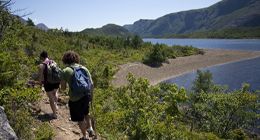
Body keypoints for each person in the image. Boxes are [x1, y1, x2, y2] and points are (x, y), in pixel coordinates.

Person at [60, 50, 95, 140]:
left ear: (65, 59)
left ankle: (85, 136)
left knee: (80, 118)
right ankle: (90, 129)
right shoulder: (84, 68)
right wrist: (91, 96)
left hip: (75, 98)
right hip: (86, 95)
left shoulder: (65, 71)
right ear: (76, 58)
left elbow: (63, 88)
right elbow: (91, 84)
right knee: (86, 112)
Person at [39, 50, 59, 119]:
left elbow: (40, 77)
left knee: (51, 99)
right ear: (47, 56)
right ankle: (55, 106)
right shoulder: (53, 62)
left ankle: (54, 113)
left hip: (48, 83)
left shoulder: (42, 65)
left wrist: (40, 83)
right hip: (56, 81)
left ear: (41, 57)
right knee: (55, 92)